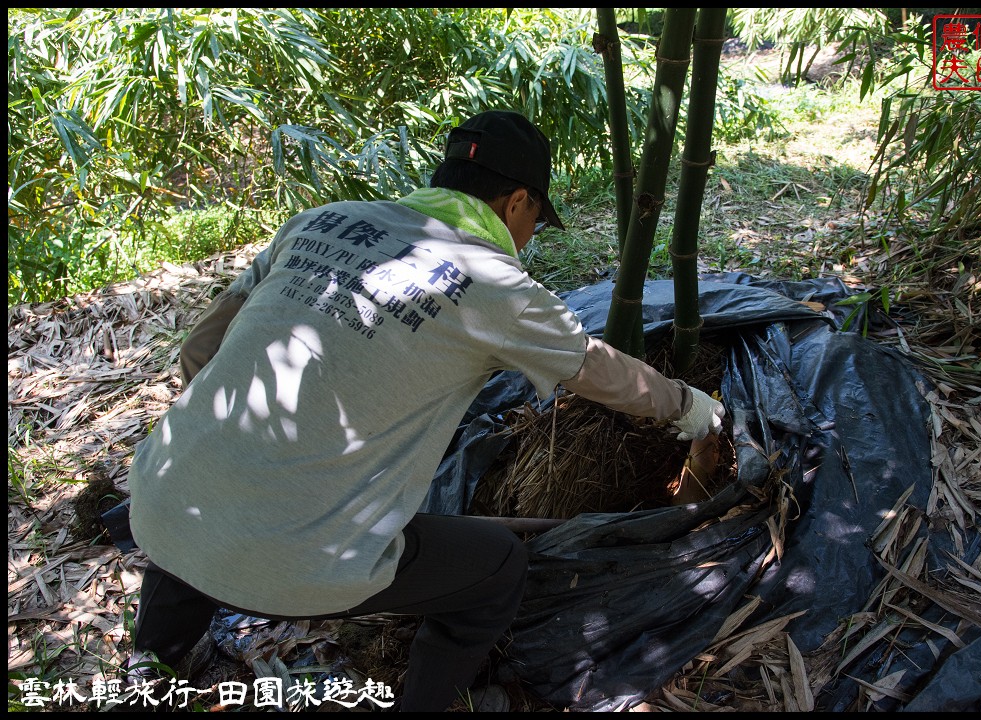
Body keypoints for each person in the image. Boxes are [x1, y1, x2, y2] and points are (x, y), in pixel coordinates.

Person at [125, 110, 726, 711]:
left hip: (156, 505)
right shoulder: (495, 286)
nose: (530, 236)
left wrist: (247, 448)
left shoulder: (318, 223)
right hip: (295, 565)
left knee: (196, 491)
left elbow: (199, 349)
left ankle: (152, 663)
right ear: (518, 201)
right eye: (536, 222)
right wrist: (689, 407)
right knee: (498, 571)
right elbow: (599, 370)